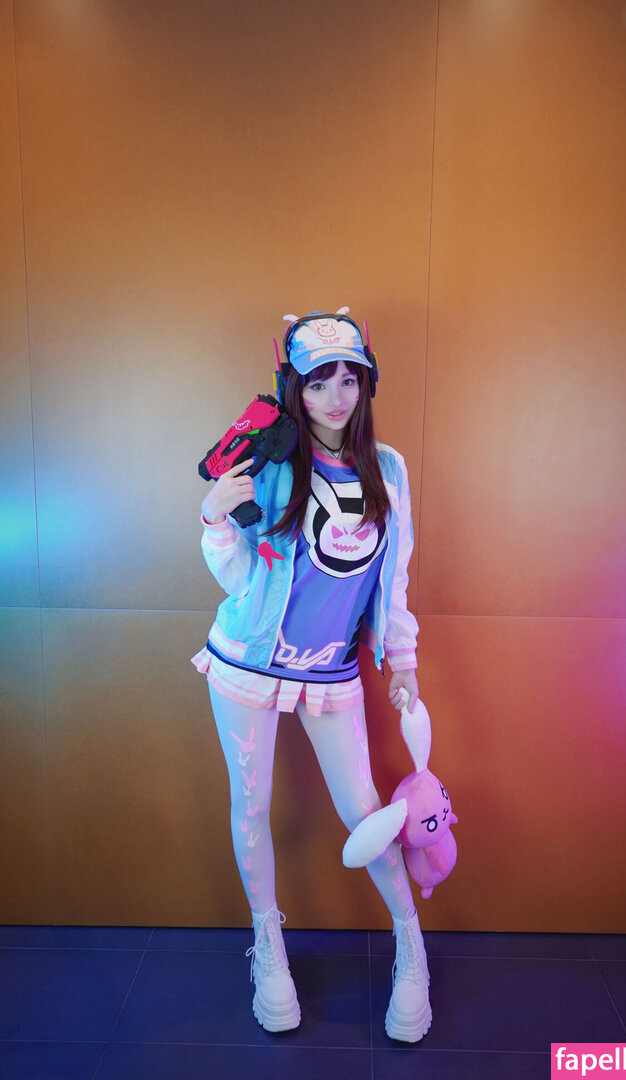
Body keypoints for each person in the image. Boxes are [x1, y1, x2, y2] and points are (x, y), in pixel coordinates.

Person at [192, 308, 431, 1043]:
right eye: (318, 381)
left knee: (365, 810)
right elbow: (240, 579)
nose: (334, 396)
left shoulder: (388, 468)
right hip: (246, 661)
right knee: (252, 805)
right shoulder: (269, 464)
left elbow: (393, 579)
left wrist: (403, 662)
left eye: (348, 379)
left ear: (366, 383)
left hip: (331, 671)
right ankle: (268, 945)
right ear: (293, 386)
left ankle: (411, 946)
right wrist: (214, 519)